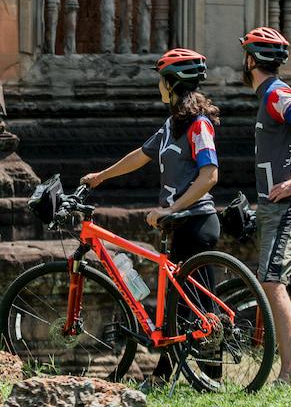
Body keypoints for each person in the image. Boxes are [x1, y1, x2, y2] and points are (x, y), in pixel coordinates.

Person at [81, 48, 221, 381]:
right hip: (179, 224)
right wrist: (101, 176)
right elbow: (141, 156)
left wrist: (171, 208)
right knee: (177, 300)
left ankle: (213, 377)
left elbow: (210, 175)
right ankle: (164, 371)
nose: (158, 85)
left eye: (161, 80)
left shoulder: (198, 126)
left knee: (200, 306)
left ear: (172, 84)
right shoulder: (172, 124)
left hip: (197, 223)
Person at [240, 26, 291, 383]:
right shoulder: (270, 96)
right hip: (281, 206)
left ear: (250, 60)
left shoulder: (276, 93)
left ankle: (288, 372)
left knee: (272, 281)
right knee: (290, 288)